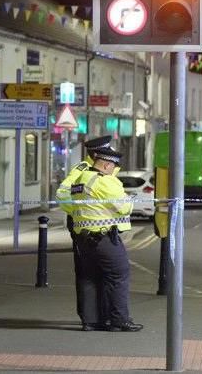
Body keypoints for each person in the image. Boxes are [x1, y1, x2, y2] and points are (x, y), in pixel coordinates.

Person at [61, 147, 143, 332]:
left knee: (89, 278)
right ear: (106, 164)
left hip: (83, 239)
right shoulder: (105, 182)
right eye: (113, 166)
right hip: (104, 238)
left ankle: (90, 321)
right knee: (119, 275)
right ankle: (119, 320)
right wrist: (129, 200)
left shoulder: (80, 179)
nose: (114, 170)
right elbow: (123, 208)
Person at [55, 135, 114, 331]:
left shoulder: (107, 168)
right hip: (84, 227)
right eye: (107, 151)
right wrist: (80, 212)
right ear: (97, 154)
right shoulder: (81, 170)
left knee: (106, 272)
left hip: (105, 226)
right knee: (87, 272)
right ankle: (90, 319)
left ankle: (105, 317)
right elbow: (62, 193)